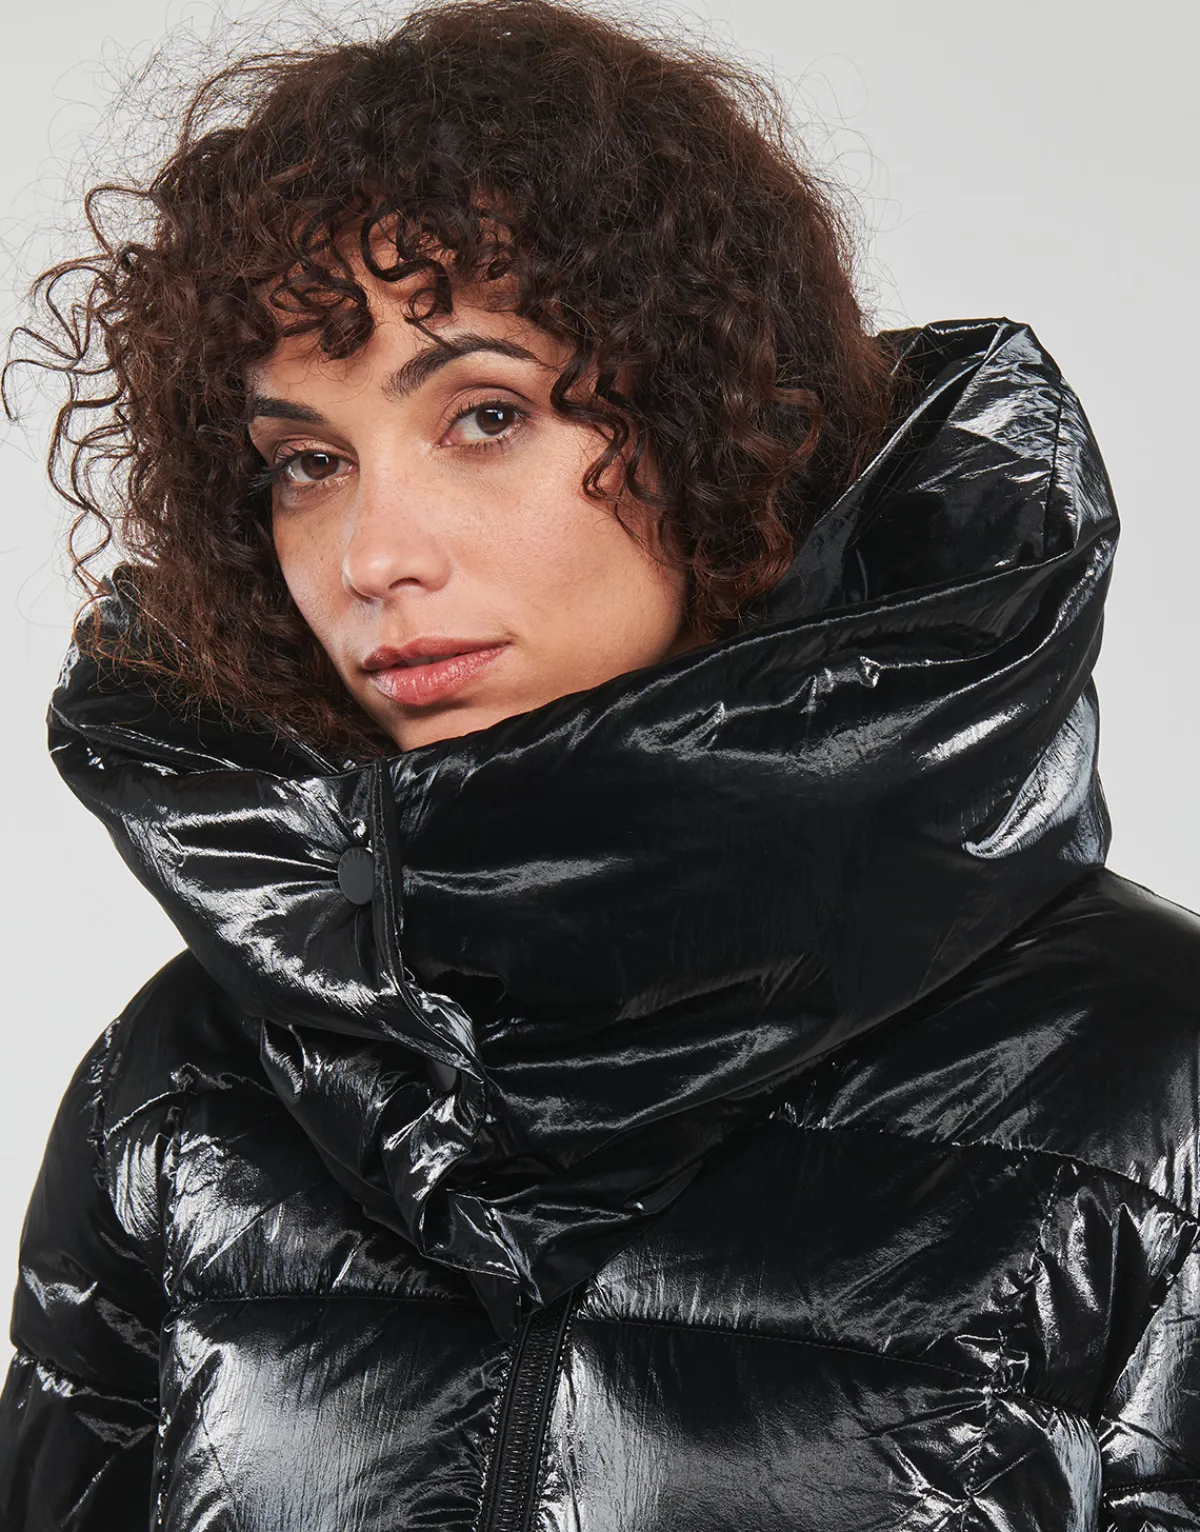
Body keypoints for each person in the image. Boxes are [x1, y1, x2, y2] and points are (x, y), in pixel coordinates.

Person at [2, 0, 1199, 1527]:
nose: (372, 554)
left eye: (485, 415)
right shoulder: (184, 1093)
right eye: (309, 460)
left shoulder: (1150, 1078)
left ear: (718, 426)